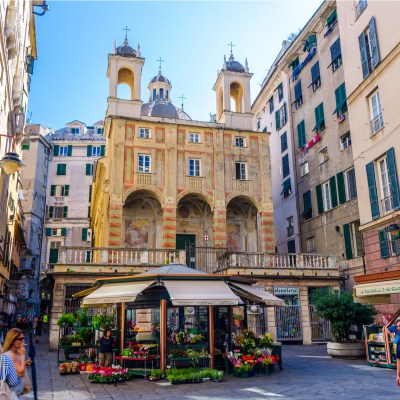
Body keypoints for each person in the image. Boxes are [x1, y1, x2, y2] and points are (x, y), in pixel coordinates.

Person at [2, 328, 28, 396]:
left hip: (15, 394)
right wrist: (22, 355)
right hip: (10, 395)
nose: (23, 341)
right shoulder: (11, 354)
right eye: (20, 339)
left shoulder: (16, 352)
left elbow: (15, 369)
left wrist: (25, 363)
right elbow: (20, 373)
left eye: (23, 338)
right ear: (12, 340)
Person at [387, 319, 400, 385]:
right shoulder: (398, 342)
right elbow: (398, 360)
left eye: (399, 326)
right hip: (396, 344)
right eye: (397, 326)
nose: (398, 328)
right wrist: (398, 376)